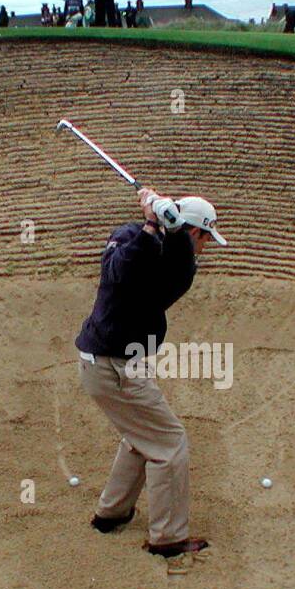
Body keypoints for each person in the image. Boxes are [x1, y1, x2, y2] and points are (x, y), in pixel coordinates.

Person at [74, 186, 228, 558]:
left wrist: (158, 224)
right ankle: (168, 539)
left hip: (115, 364)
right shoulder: (130, 236)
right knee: (169, 444)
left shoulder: (181, 266)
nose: (206, 247)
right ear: (195, 232)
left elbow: (155, 266)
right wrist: (151, 222)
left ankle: (110, 514)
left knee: (142, 437)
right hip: (114, 367)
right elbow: (117, 272)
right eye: (206, 238)